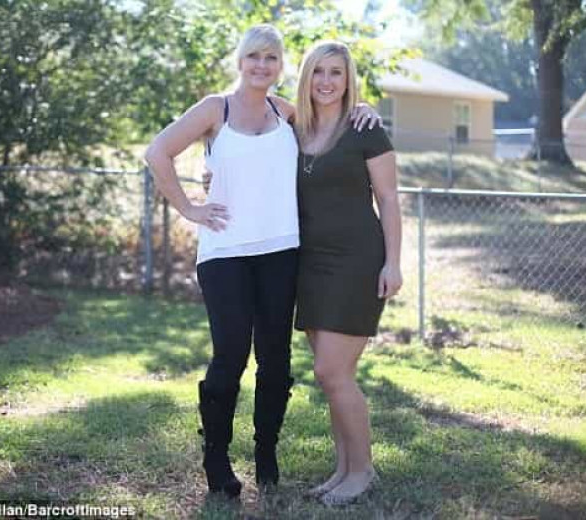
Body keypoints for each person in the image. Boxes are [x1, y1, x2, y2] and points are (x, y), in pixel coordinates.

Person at [144, 25, 381, 498]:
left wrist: (364, 108)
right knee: (230, 355)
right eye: (254, 56)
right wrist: (190, 208)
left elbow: (331, 120)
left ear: (280, 67)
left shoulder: (285, 111)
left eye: (271, 58)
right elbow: (157, 153)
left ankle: (266, 455)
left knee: (275, 360)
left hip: (281, 251)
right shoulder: (215, 109)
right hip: (225, 254)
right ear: (240, 61)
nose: (261, 65)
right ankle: (217, 460)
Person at [293, 41, 402, 506]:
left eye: (336, 73)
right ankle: (342, 469)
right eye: (318, 72)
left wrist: (393, 262)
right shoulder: (293, 127)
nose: (326, 82)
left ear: (348, 78)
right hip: (309, 263)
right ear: (306, 78)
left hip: (356, 261)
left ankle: (362, 471)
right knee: (332, 377)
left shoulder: (365, 128)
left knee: (331, 370)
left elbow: (389, 199)